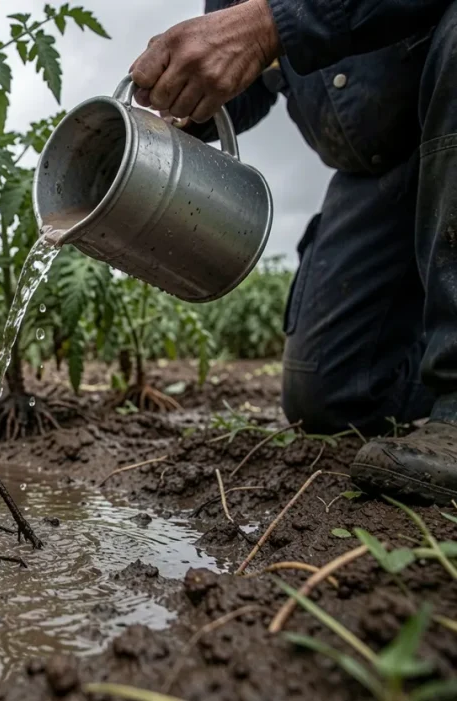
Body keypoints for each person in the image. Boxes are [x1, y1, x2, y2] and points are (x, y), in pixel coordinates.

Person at [127, 0, 457, 504]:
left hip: (446, 117)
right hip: (378, 166)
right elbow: (247, 87)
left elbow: (263, 33)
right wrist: (175, 110)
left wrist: (271, 24)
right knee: (331, 396)